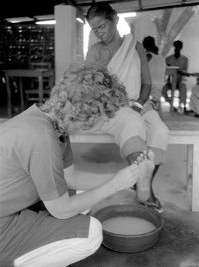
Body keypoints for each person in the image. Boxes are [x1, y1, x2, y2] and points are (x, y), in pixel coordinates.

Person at [0, 64, 158, 267]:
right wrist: (114, 186)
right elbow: (61, 210)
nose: (102, 124)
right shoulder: (41, 138)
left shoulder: (46, 121)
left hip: (12, 208)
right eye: (103, 118)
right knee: (92, 233)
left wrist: (129, 179)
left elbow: (70, 178)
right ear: (87, 115)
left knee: (81, 199)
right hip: (3, 225)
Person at [85, 2, 169, 212]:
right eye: (94, 29)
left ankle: (142, 182)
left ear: (114, 19)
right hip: (111, 106)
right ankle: (146, 190)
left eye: (102, 26)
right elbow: (92, 84)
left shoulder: (135, 47)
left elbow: (147, 83)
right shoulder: (95, 52)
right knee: (132, 122)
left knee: (160, 130)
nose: (98, 32)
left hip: (141, 102)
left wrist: (140, 104)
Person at [162, 40, 189, 113]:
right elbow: (166, 71)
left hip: (180, 81)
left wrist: (182, 73)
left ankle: (183, 106)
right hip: (170, 81)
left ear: (181, 48)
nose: (177, 49)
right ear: (174, 48)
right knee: (163, 90)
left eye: (179, 47)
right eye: (176, 47)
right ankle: (171, 105)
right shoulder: (168, 58)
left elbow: (185, 72)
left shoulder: (185, 59)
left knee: (183, 89)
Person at [142, 36, 166, 113]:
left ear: (144, 46)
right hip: (159, 86)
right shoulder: (161, 58)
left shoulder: (146, 56)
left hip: (149, 86)